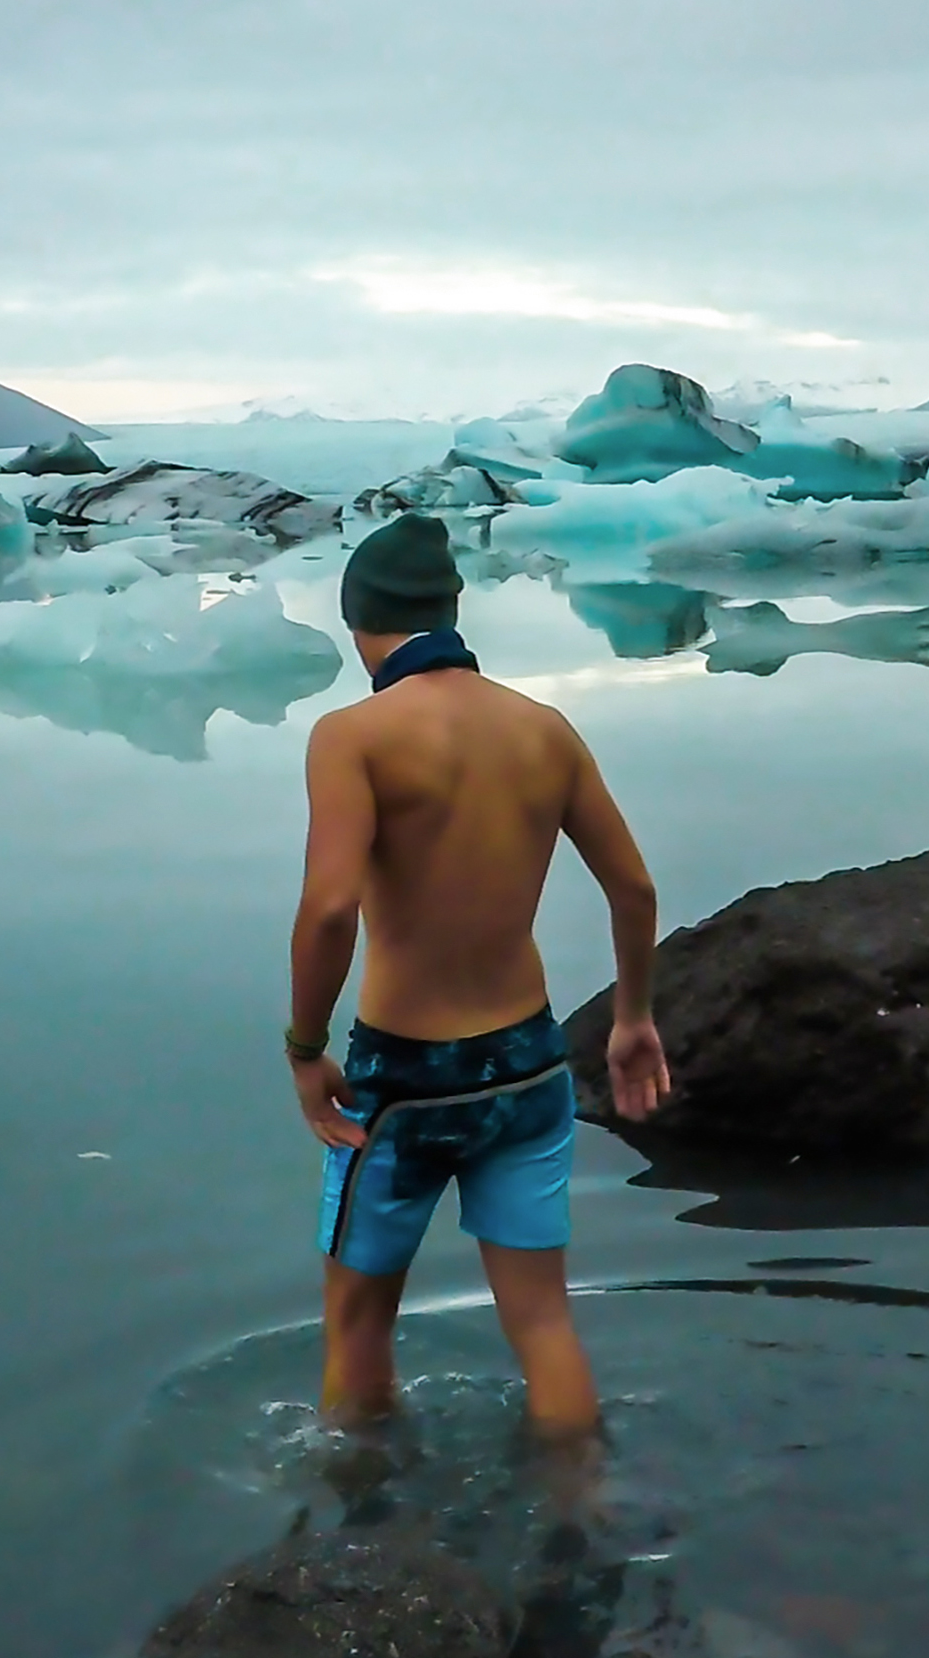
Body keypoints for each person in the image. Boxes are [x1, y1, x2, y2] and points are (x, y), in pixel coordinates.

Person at [286, 514, 674, 1440]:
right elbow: (634, 887)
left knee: (358, 1322)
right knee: (542, 1321)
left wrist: (305, 1048)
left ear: (360, 623)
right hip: (530, 1064)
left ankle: (359, 1510)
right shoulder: (544, 728)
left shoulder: (352, 735)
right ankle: (581, 1500)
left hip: (404, 1079)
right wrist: (633, 1017)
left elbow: (332, 907)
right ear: (449, 612)